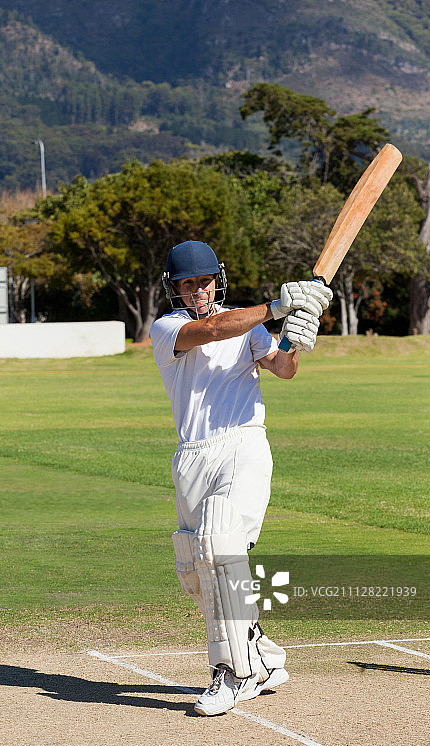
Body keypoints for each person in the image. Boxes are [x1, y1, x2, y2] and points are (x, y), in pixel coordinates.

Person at [150, 240, 332, 716]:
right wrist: (275, 307)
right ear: (174, 289)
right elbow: (210, 331)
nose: (197, 292)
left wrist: (295, 338)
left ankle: (233, 673)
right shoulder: (169, 328)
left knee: (219, 544)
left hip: (242, 445)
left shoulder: (249, 329)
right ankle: (262, 656)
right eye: (187, 284)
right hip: (191, 456)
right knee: (195, 569)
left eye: (203, 282)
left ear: (217, 280)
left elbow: (283, 370)